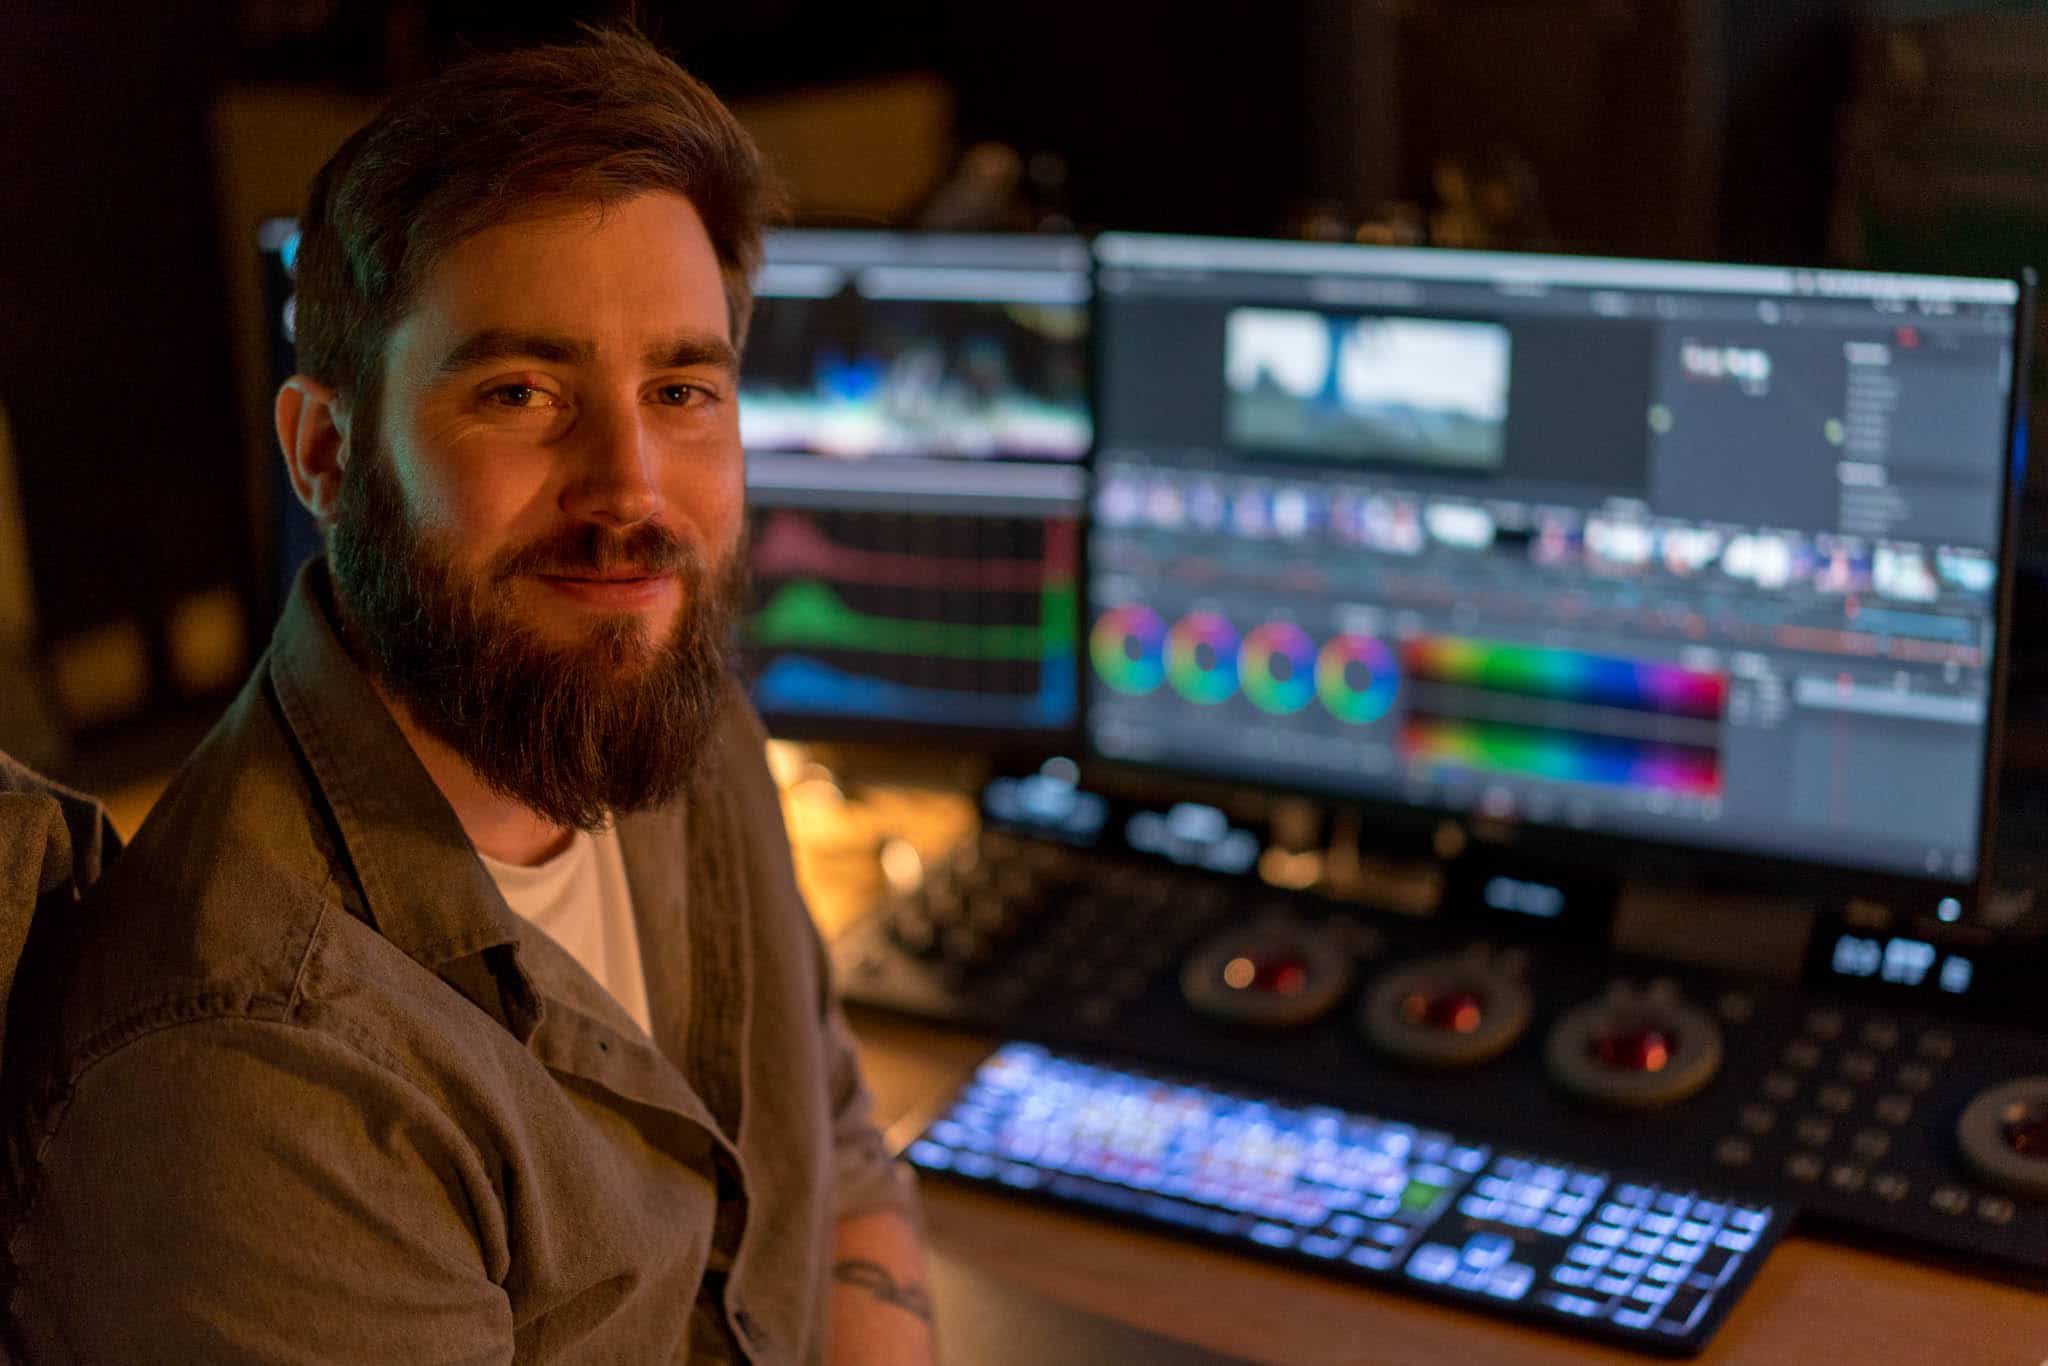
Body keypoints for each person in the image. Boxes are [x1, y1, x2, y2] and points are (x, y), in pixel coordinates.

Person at [2, 27, 932, 1364]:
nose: (631, 488)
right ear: (326, 454)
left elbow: (835, 1151)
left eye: (682, 389)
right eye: (519, 391)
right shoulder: (252, 1072)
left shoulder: (675, 714)